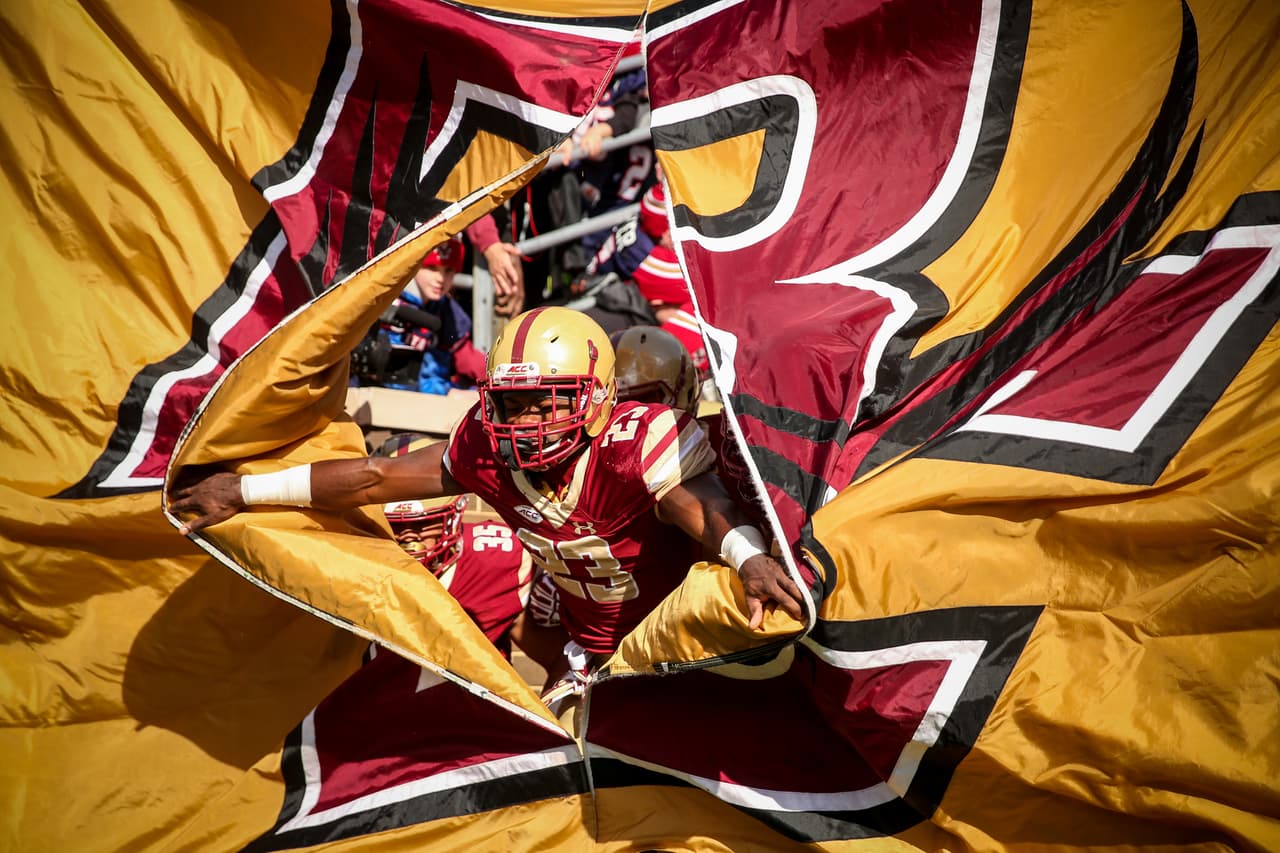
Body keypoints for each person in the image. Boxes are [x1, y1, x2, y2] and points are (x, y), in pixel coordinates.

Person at [171, 306, 805, 669]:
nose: (524, 422)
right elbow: (375, 475)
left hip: (686, 649)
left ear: (599, 400)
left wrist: (747, 559)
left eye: (544, 402)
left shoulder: (639, 436)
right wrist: (243, 491)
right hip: (595, 659)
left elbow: (698, 503)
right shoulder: (485, 446)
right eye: (511, 402)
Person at [377, 434, 566, 679]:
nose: (409, 537)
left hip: (466, 714)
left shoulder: (494, 562)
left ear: (453, 514)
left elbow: (557, 657)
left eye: (425, 524)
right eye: (396, 526)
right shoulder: (351, 564)